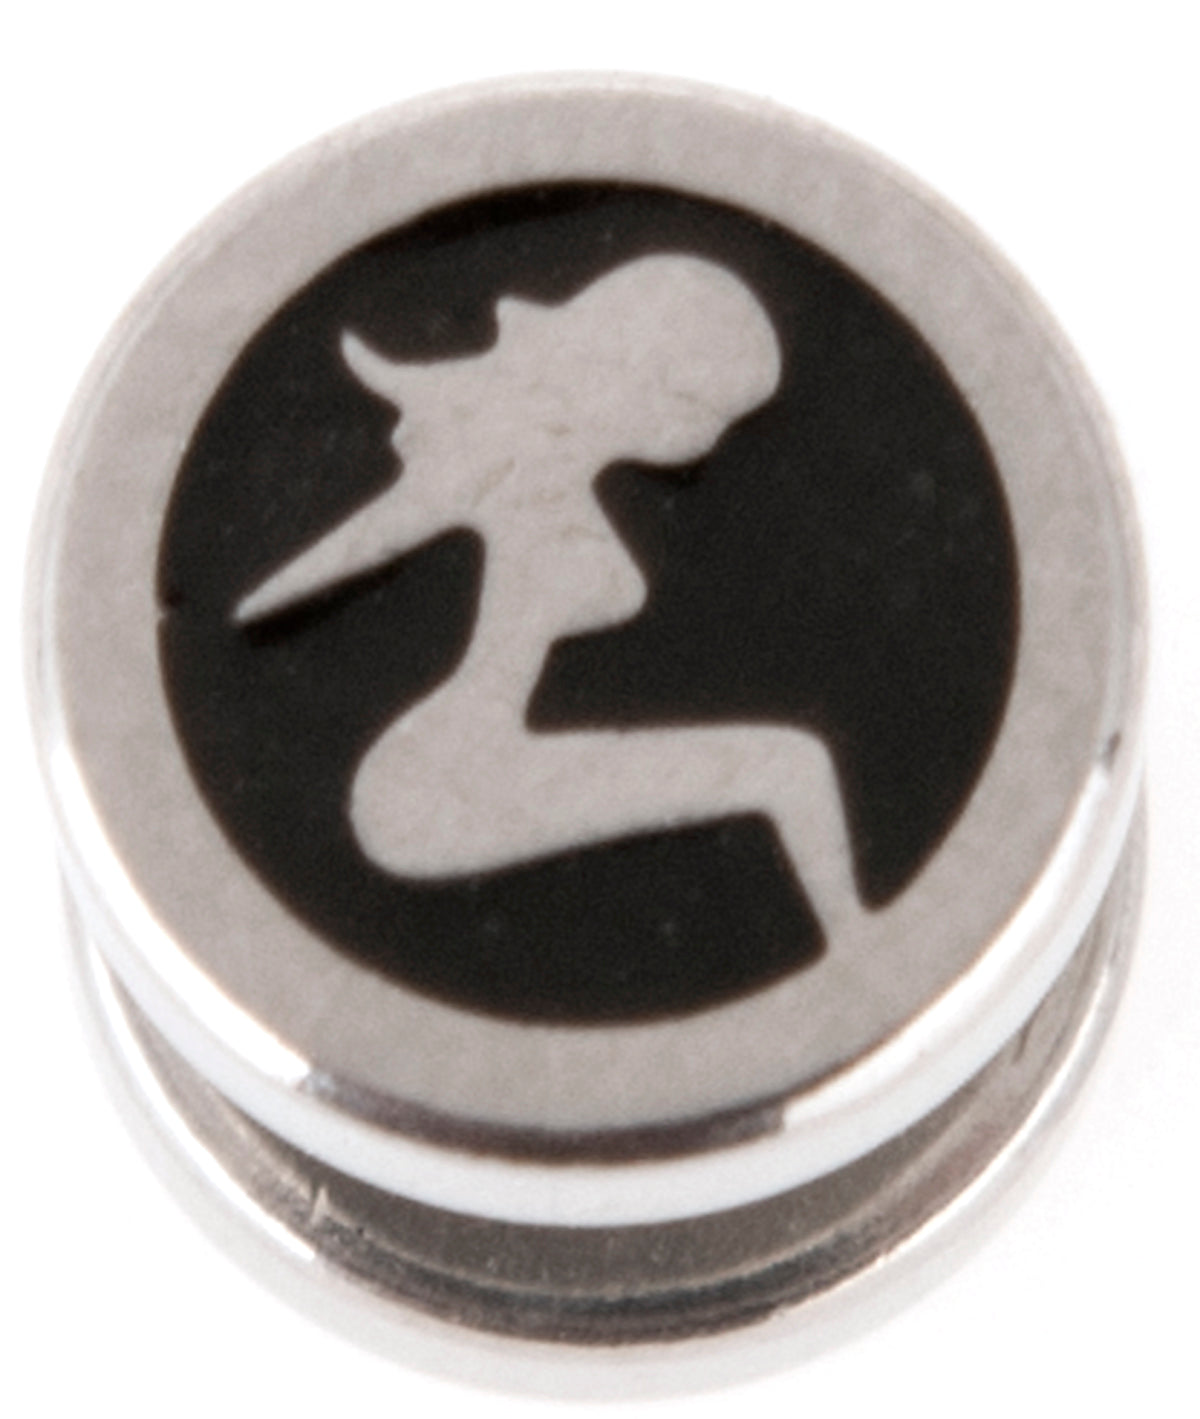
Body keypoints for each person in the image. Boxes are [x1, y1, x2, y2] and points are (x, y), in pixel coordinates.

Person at [238, 253, 865, 938]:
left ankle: (854, 947)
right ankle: (856, 952)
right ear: (640, 375)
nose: (706, 434)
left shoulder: (555, 486)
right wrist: (260, 607)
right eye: (703, 406)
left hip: (474, 761)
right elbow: (372, 539)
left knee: (791, 763)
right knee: (789, 763)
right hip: (438, 783)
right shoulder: (519, 472)